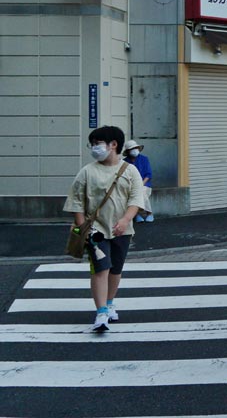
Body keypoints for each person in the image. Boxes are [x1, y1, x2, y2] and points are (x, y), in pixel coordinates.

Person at [63, 126, 144, 332]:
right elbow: (77, 203)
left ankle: (109, 303)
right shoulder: (87, 171)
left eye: (97, 143)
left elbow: (136, 199)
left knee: (115, 269)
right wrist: (84, 229)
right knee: (101, 268)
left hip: (122, 230)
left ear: (113, 145)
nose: (94, 148)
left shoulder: (130, 170)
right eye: (93, 144)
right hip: (95, 230)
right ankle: (101, 313)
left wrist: (126, 220)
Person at [122, 139, 154, 222]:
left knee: (141, 192)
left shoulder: (144, 159)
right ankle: (137, 214)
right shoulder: (124, 162)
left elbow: (148, 174)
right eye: (132, 149)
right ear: (128, 151)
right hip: (130, 185)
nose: (135, 150)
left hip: (145, 184)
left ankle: (149, 213)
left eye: (136, 148)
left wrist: (141, 184)